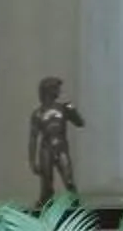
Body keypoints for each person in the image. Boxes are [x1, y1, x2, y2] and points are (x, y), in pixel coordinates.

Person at [28, 76, 85, 206]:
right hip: (46, 149)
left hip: (61, 147)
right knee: (47, 185)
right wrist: (32, 161)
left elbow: (80, 123)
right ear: (49, 90)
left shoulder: (63, 108)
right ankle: (44, 207)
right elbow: (33, 138)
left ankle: (76, 206)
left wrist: (73, 112)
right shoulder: (38, 113)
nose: (59, 91)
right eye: (56, 88)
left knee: (69, 181)